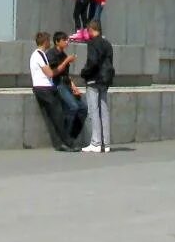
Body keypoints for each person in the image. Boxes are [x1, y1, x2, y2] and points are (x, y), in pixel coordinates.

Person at [28, 32, 79, 152]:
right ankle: (67, 143)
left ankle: (62, 142)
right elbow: (50, 73)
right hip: (43, 89)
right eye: (48, 40)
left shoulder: (42, 54)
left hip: (47, 88)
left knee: (58, 115)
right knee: (58, 116)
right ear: (44, 41)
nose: (49, 43)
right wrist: (66, 62)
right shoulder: (38, 55)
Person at [79, 21, 116, 153]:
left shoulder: (93, 43)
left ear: (91, 30)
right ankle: (106, 144)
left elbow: (92, 61)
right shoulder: (107, 43)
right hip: (105, 80)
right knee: (104, 111)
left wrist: (84, 72)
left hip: (93, 80)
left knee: (93, 111)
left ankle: (95, 142)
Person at [46, 31, 86, 143]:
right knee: (73, 106)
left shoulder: (63, 55)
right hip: (58, 84)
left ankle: (72, 136)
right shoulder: (51, 54)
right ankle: (65, 137)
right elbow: (55, 72)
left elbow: (66, 75)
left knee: (83, 108)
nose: (67, 42)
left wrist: (74, 86)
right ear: (57, 42)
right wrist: (67, 61)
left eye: (67, 40)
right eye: (64, 40)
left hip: (66, 83)